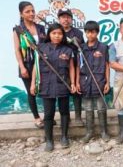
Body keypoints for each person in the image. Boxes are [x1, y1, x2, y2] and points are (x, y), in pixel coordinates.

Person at [30, 23, 76, 152]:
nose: (57, 36)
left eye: (60, 33)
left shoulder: (68, 50)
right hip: (47, 85)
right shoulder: (41, 48)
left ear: (63, 35)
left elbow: (71, 68)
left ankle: (64, 137)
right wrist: (33, 83)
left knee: (64, 112)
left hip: (63, 84)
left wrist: (72, 83)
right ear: (49, 34)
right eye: (54, 33)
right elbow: (36, 67)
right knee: (49, 114)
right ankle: (49, 140)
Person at [13, 1, 46, 128]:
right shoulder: (18, 30)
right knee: (31, 92)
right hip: (27, 64)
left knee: (45, 90)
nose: (31, 13)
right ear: (21, 14)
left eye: (33, 11)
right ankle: (37, 117)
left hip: (42, 64)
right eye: (27, 11)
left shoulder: (41, 28)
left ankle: (47, 116)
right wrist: (22, 67)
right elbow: (17, 50)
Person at [76, 21, 110, 143]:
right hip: (85, 82)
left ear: (97, 33)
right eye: (88, 32)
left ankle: (104, 132)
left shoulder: (103, 47)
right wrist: (77, 82)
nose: (91, 34)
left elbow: (107, 65)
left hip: (99, 82)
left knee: (101, 108)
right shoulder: (81, 49)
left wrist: (107, 82)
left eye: (93, 32)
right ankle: (89, 132)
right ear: (85, 33)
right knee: (88, 108)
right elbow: (77, 67)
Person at [58, 8, 85, 126]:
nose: (65, 19)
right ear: (59, 19)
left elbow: (82, 49)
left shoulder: (78, 33)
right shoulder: (56, 31)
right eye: (63, 17)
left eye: (68, 17)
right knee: (62, 92)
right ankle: (66, 117)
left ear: (71, 19)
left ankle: (78, 117)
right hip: (61, 67)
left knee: (77, 92)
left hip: (75, 65)